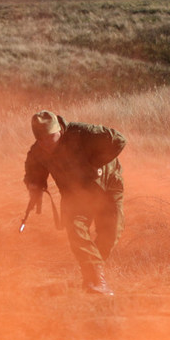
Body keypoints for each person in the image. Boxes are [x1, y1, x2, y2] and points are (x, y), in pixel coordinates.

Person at [23, 110, 126, 296]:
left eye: (50, 137)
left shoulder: (81, 133)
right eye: (41, 139)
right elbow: (33, 172)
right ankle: (96, 281)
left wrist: (94, 163)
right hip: (74, 194)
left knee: (111, 231)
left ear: (59, 131)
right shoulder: (38, 152)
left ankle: (92, 274)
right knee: (76, 230)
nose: (46, 143)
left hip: (108, 187)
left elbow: (118, 140)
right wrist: (34, 188)